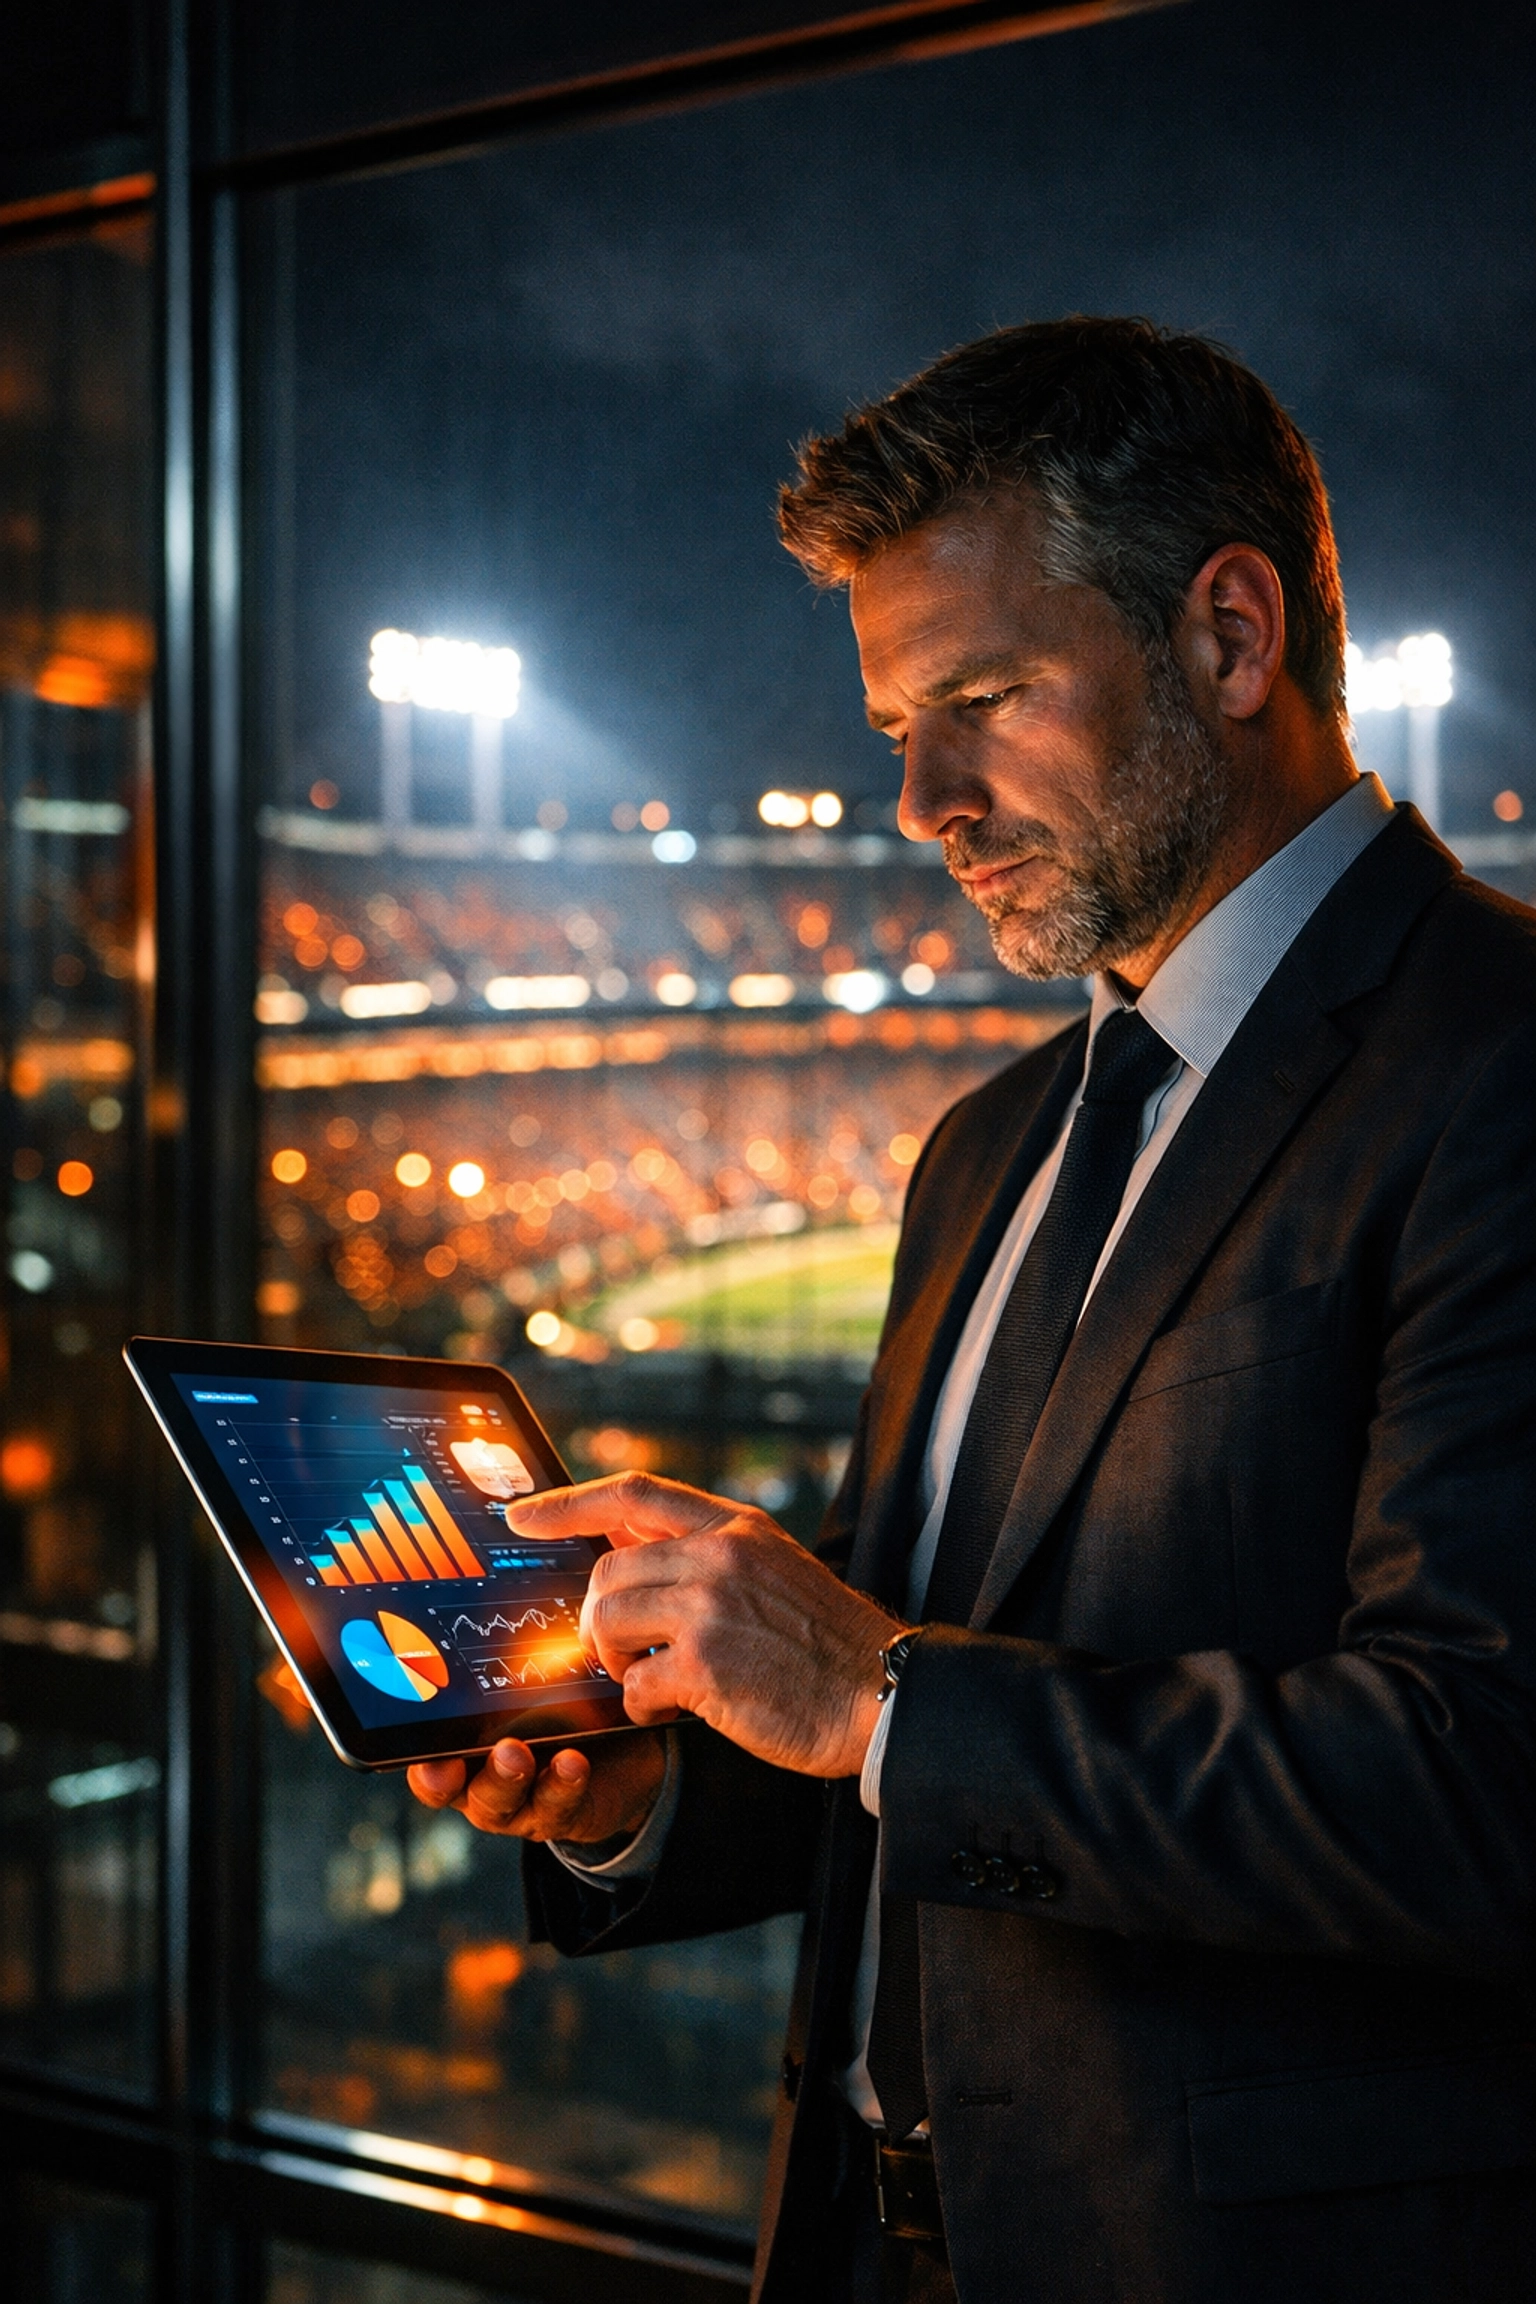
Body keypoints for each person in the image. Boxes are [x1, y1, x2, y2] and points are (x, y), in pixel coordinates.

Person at [409, 320, 1536, 2303]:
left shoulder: (1499, 1056)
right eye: (892, 729)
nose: (923, 795)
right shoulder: (994, 1139)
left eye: (987, 697)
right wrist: (654, 1777)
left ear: (1230, 637)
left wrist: (872, 1696)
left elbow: (1481, 1781)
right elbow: (933, 1706)